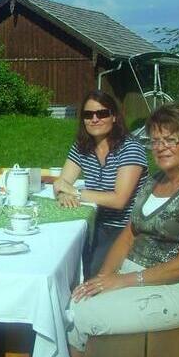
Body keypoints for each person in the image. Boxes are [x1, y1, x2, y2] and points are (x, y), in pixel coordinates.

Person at [59, 103, 179, 357]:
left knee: (75, 315)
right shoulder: (157, 181)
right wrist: (104, 276)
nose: (160, 148)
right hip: (139, 277)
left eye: (170, 140)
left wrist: (122, 281)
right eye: (155, 141)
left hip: (174, 291)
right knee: (71, 299)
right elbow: (129, 233)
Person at [53, 90, 148, 278]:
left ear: (114, 116)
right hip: (96, 223)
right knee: (58, 255)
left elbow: (119, 200)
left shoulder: (130, 148)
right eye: (88, 115)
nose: (94, 119)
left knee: (91, 276)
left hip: (127, 229)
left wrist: (75, 192)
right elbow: (61, 183)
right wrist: (63, 194)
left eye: (102, 113)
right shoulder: (82, 147)